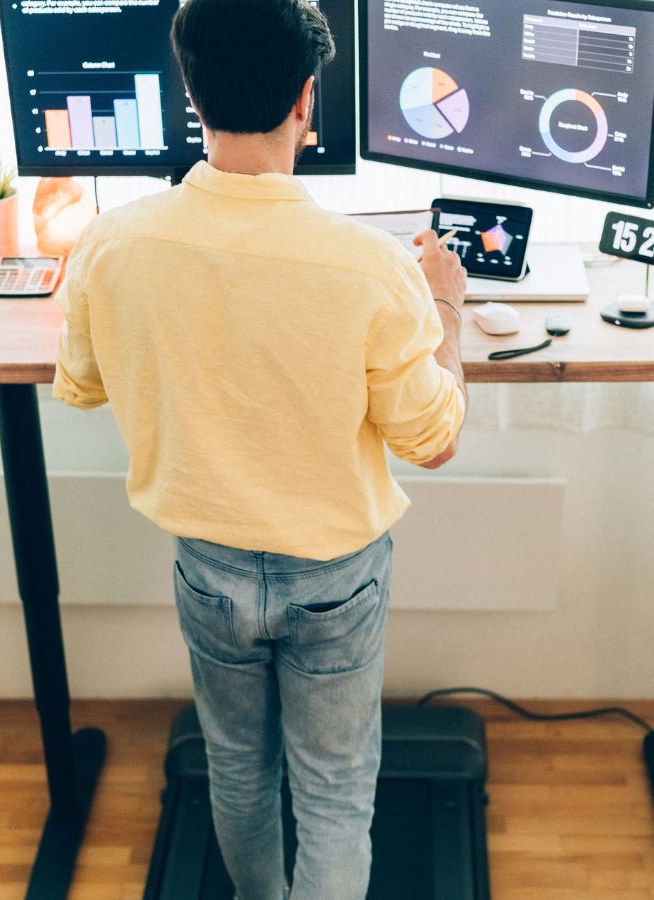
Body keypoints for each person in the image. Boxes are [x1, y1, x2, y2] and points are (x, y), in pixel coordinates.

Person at [52, 0, 468, 895]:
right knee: (333, 790)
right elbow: (432, 440)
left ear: (189, 94)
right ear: (307, 100)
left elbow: (80, 386)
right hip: (334, 577)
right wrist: (446, 306)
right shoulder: (372, 266)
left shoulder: (112, 242)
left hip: (208, 565)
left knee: (237, 768)